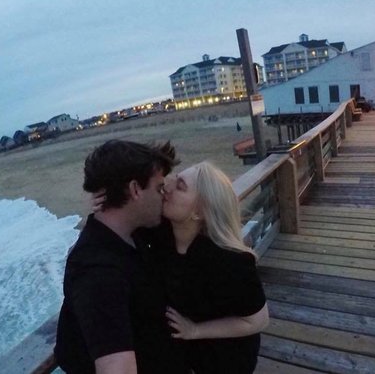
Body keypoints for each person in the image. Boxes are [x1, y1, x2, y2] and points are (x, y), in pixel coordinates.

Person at [54, 139, 180, 374]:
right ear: (134, 190)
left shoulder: (135, 231)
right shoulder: (97, 272)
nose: (164, 195)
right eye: (159, 188)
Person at [139, 161, 269, 374]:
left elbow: (258, 320)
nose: (167, 186)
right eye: (175, 178)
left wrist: (196, 330)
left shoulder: (229, 261)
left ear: (199, 212)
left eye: (180, 186)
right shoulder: (160, 235)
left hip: (227, 358)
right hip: (187, 355)